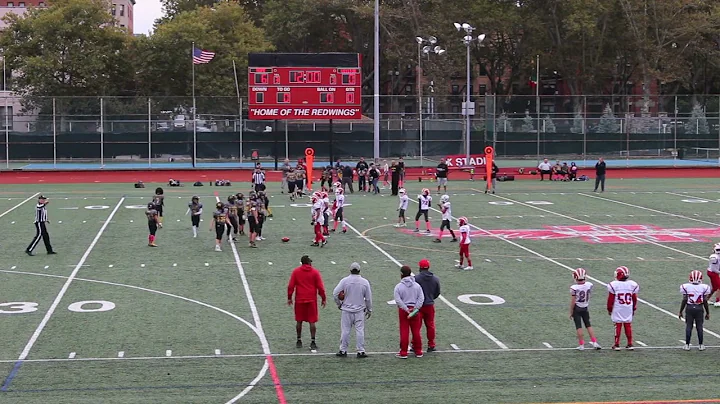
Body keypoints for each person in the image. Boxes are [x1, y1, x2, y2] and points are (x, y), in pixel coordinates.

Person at [333, 262, 373, 358]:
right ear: (359, 270)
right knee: (360, 330)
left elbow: (335, 293)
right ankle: (361, 351)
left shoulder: (345, 281)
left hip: (346, 310)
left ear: (350, 270)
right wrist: (369, 309)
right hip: (359, 310)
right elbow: (368, 298)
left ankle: (343, 350)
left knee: (345, 330)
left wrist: (339, 304)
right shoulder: (364, 282)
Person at [287, 255, 326, 351]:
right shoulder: (315, 272)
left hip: (300, 299)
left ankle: (299, 340)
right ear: (309, 262)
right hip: (311, 300)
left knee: (299, 321)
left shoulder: (296, 272)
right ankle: (313, 341)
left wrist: (289, 297)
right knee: (312, 321)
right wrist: (323, 298)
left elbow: (291, 286)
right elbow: (320, 287)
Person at [394, 265, 424, 358]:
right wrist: (415, 308)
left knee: (404, 331)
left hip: (404, 311)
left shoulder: (398, 287)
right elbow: (421, 298)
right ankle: (418, 351)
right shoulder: (417, 285)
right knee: (416, 331)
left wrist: (406, 309)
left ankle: (403, 352)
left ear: (401, 274)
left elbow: (398, 300)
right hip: (415, 311)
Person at [607, 266, 639, 350]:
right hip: (628, 307)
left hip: (618, 307)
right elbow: (634, 298)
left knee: (618, 325)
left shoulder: (614, 285)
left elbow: (611, 299)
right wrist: (634, 308)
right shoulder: (631, 284)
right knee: (628, 324)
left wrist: (609, 309)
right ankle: (630, 343)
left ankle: (617, 344)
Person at [569, 268, 601, 350]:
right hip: (585, 307)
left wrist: (571, 311)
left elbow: (573, 301)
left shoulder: (574, 287)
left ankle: (581, 345)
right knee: (588, 325)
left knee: (578, 326)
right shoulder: (589, 285)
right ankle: (594, 342)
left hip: (577, 308)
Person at [679, 270, 711, 351]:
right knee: (699, 327)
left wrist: (680, 311)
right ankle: (701, 345)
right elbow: (704, 301)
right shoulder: (704, 287)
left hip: (689, 308)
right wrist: (707, 312)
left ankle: (687, 345)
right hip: (699, 308)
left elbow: (685, 299)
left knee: (689, 326)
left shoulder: (685, 286)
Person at [414, 259, 440, 352]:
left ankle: (415, 344)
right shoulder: (435, 279)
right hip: (429, 305)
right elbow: (437, 293)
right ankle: (431, 344)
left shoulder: (416, 279)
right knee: (430, 325)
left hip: (419, 306)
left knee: (416, 326)